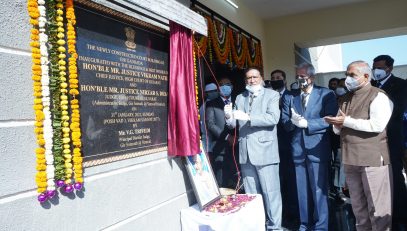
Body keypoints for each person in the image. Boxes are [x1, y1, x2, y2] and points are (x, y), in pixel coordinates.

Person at [325, 60, 394, 230]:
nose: (348, 78)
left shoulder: (378, 96)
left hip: (372, 159)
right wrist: (337, 124)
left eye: (352, 75)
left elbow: (377, 125)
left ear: (365, 76)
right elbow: (338, 130)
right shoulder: (345, 98)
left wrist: (346, 121)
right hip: (350, 159)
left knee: (378, 210)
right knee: (358, 209)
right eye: (347, 74)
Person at [281, 63, 338, 230]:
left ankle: (321, 226)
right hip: (298, 149)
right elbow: (284, 122)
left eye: (303, 77)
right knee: (302, 190)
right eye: (297, 76)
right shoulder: (290, 97)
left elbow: (330, 119)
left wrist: (308, 124)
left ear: (312, 77)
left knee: (319, 190)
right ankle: (304, 223)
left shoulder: (326, 94)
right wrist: (293, 123)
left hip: (317, 149)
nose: (300, 80)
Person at [225, 67, 282, 230]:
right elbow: (234, 123)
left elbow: (273, 118)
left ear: (261, 78)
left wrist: (249, 117)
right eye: (249, 78)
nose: (252, 80)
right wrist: (229, 117)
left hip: (265, 151)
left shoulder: (272, 95)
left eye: (255, 77)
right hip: (245, 152)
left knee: (271, 193)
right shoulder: (239, 97)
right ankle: (257, 225)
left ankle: (275, 227)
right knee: (251, 194)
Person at [371, 55, 407, 229]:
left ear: (389, 69)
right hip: (372, 140)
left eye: (380, 67)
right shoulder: (370, 85)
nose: (376, 70)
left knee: (395, 175)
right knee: (377, 178)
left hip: (392, 137)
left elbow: (397, 110)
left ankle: (400, 214)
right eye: (374, 66)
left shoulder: (401, 85)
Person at [270, 69, 299, 227]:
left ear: (285, 80)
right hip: (271, 145)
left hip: (288, 145)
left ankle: (293, 213)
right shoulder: (267, 96)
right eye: (273, 78)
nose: (275, 80)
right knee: (277, 182)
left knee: (290, 181)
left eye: (278, 78)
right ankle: (279, 213)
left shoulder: (292, 96)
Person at [206, 77, 237, 188]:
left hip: (238, 147)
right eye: (221, 84)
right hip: (220, 148)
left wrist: (237, 137)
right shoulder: (211, 104)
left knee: (238, 180)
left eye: (227, 84)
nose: (224, 87)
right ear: (218, 88)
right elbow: (210, 124)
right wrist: (228, 137)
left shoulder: (238, 101)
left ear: (232, 86)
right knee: (222, 181)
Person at [199, 83, 218, 154]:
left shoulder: (218, 104)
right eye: (211, 91)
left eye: (215, 91)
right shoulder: (204, 107)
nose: (214, 93)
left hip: (216, 140)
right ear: (206, 94)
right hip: (209, 138)